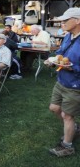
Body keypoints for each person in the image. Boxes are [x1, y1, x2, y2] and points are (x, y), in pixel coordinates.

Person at [45, 8, 80, 157]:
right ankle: (74, 128)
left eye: (66, 20)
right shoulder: (67, 36)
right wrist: (53, 60)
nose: (62, 22)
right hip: (61, 80)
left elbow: (74, 64)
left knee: (67, 115)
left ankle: (67, 146)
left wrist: (73, 68)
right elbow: (61, 53)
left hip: (75, 85)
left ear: (77, 21)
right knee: (54, 108)